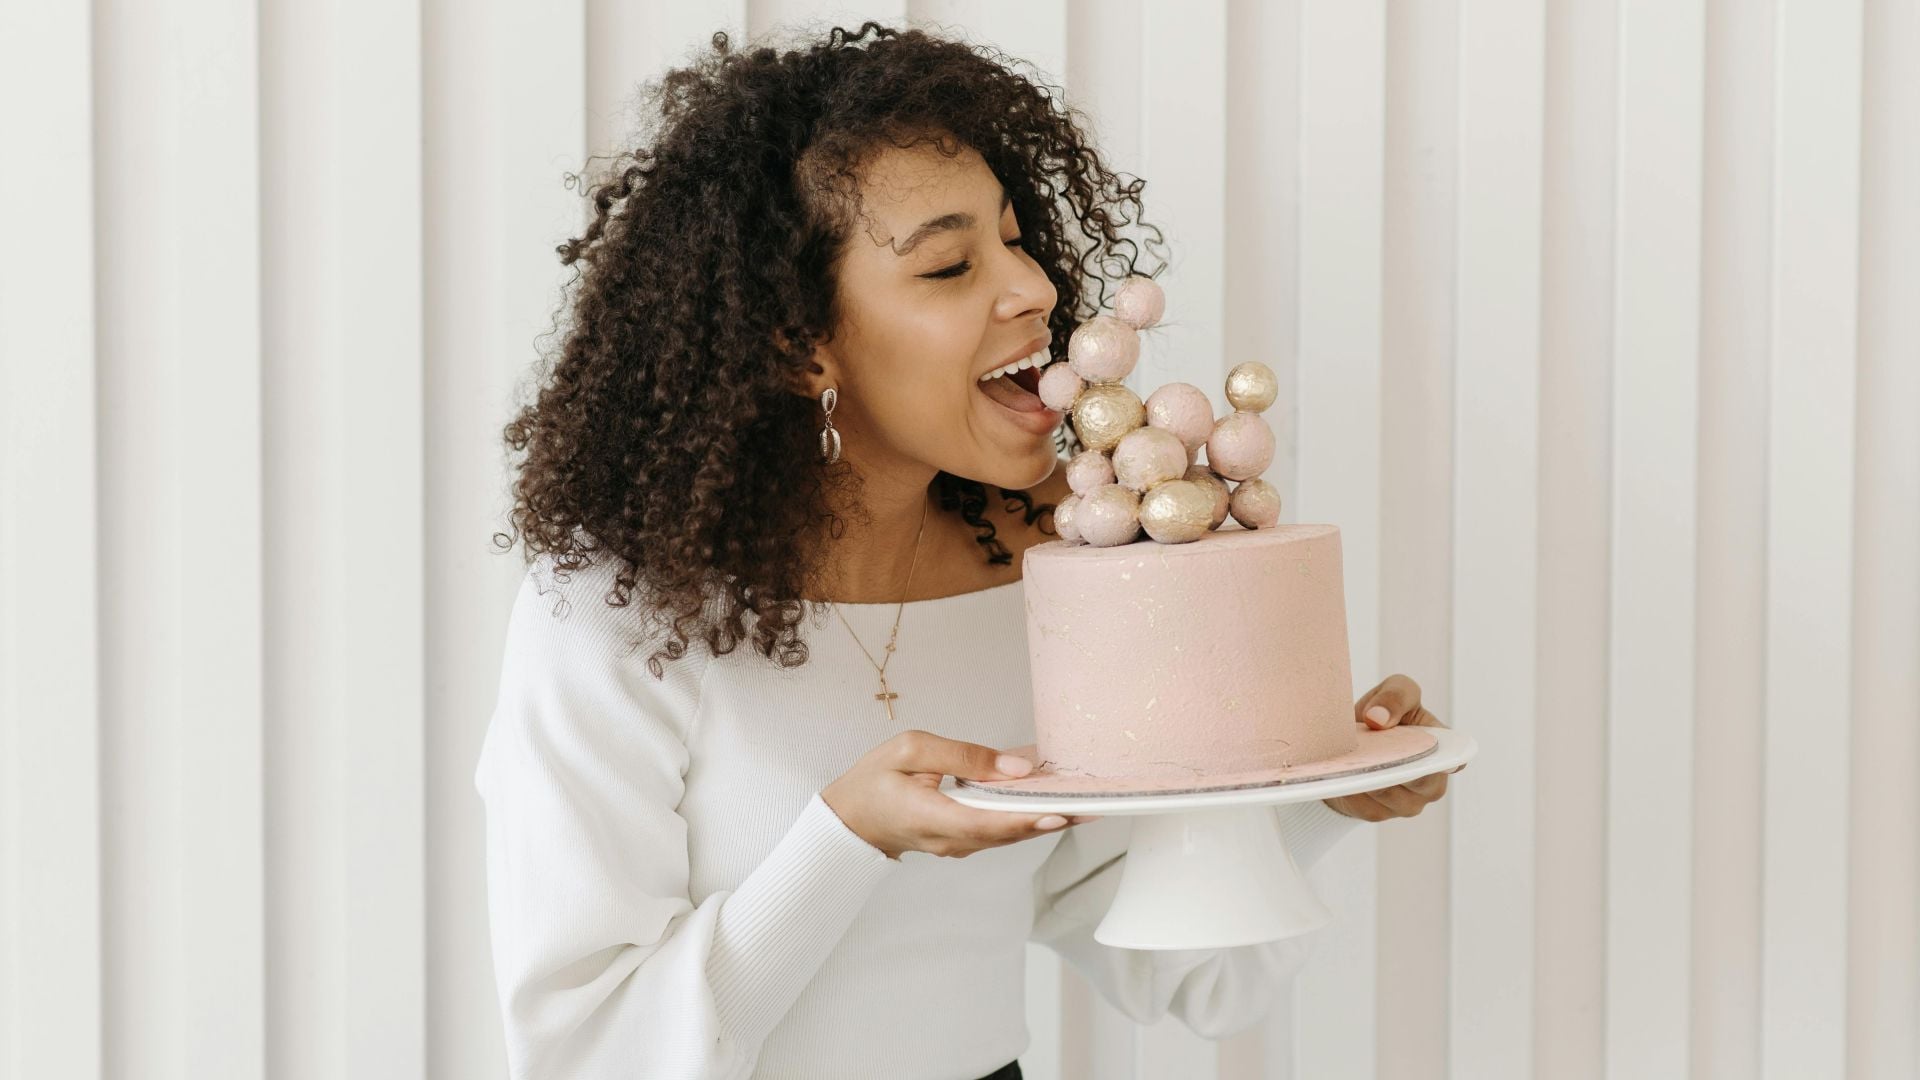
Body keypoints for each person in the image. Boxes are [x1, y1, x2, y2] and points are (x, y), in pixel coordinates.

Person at [473, 21, 1455, 1080]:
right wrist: (847, 838)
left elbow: (1185, 971)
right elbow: (584, 1049)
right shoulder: (619, 611)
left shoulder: (1047, 573)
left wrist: (1316, 801)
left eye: (1015, 236)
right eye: (948, 265)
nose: (1033, 288)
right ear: (799, 345)